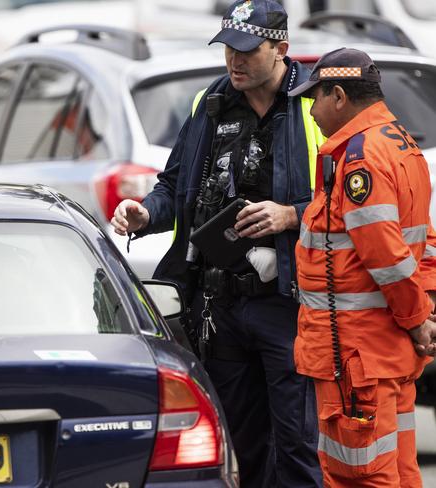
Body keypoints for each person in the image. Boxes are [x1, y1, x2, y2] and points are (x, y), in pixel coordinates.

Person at [111, 1, 323, 486]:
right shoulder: (211, 103)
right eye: (229, 48)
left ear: (281, 49)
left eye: (247, 50)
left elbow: (348, 206)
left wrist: (290, 215)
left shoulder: (315, 104)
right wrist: (144, 213)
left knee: (296, 443)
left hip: (287, 304)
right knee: (239, 442)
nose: (235, 60)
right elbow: (174, 185)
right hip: (220, 306)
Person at [290, 47, 436, 487]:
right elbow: (423, 242)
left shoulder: (360, 158)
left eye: (314, 99)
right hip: (383, 352)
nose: (311, 111)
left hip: (355, 355)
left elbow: (386, 254)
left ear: (339, 95)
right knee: (398, 468)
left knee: (358, 475)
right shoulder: (401, 143)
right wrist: (424, 312)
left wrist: (416, 320)